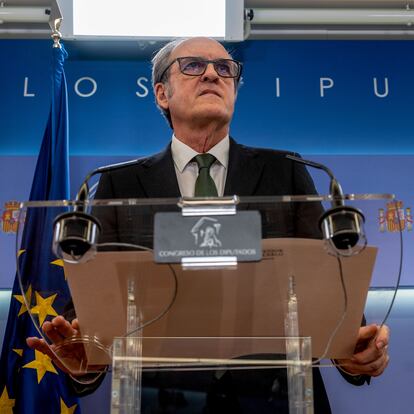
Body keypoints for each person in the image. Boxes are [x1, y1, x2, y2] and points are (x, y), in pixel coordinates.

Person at [27, 37, 389, 413]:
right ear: (162, 94)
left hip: (278, 397)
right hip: (164, 398)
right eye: (194, 66)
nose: (214, 74)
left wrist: (354, 350)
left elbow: (329, 280)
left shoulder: (287, 172)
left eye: (225, 68)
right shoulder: (121, 184)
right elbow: (93, 301)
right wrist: (83, 358)